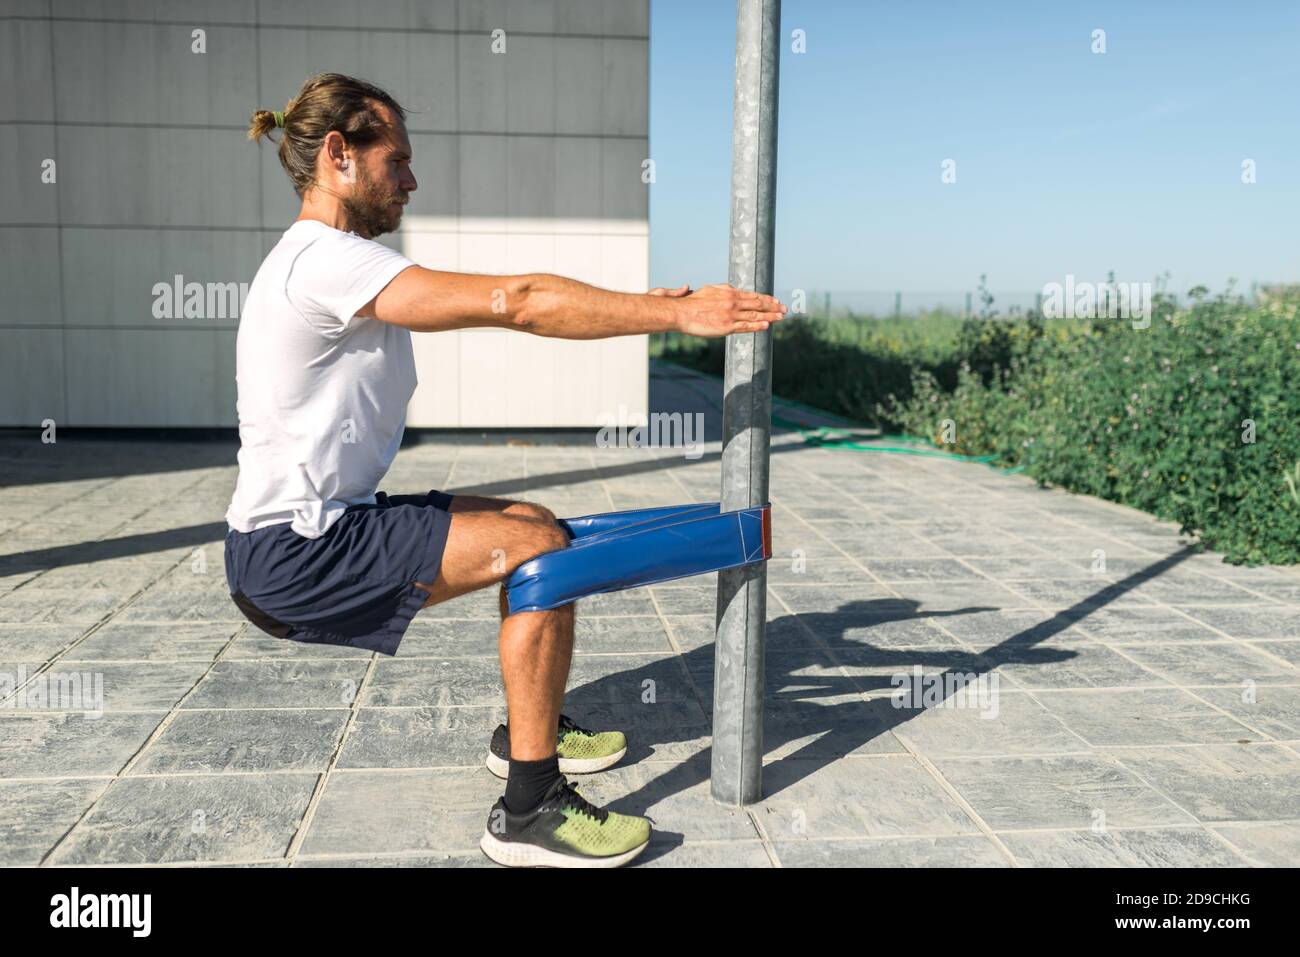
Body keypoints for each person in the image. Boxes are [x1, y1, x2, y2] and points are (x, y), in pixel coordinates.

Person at [225, 73, 786, 868]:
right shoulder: (323, 261)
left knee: (528, 520)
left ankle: (527, 726)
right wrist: (672, 314)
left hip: (321, 525)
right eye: (400, 161)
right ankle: (529, 807)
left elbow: (519, 301)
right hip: (296, 552)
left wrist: (628, 302)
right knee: (542, 552)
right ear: (340, 156)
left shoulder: (331, 261)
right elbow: (518, 301)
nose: (413, 180)